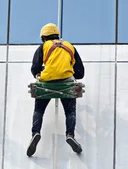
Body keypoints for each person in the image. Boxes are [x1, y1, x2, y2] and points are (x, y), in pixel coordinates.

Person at [27, 23, 85, 157]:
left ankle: (35, 133)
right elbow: (80, 72)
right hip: (66, 82)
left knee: (39, 110)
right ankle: (70, 134)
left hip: (47, 81)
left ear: (44, 37)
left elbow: (35, 67)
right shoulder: (70, 46)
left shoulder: (44, 47)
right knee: (70, 111)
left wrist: (40, 73)